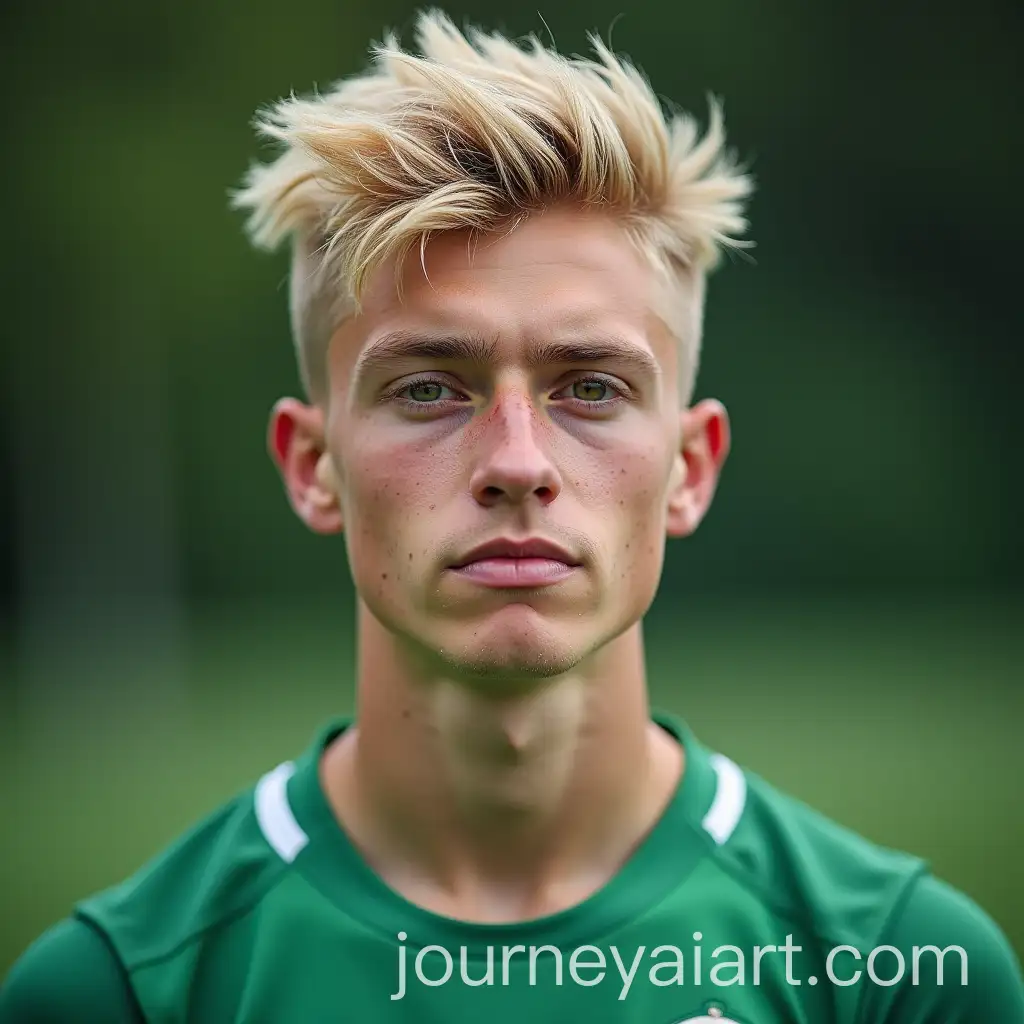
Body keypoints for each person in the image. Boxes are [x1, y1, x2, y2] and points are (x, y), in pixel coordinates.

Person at [2, 10, 1021, 1023]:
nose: (518, 462)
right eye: (427, 389)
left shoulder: (903, 974)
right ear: (313, 467)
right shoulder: (121, 991)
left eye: (589, 388)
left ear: (688, 467)